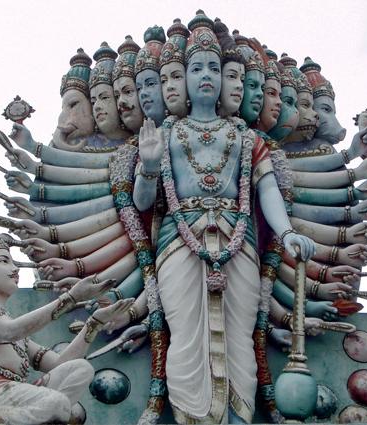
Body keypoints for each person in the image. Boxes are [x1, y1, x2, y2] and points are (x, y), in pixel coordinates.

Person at [133, 11, 315, 424]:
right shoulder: (165, 134)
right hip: (180, 243)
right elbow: (143, 202)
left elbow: (267, 189)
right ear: (182, 77)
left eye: (214, 68)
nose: (206, 76)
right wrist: (149, 165)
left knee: (239, 340)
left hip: (238, 243)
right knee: (185, 338)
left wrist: (286, 233)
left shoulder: (247, 138)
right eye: (197, 68)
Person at [0, 221, 133, 424]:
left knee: (81, 369)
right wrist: (71, 298)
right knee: (60, 405)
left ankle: (30, 417)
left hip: (18, 393)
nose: (15, 269)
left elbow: (60, 364)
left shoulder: (20, 337)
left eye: (13, 262)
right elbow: (10, 331)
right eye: (4, 261)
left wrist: (95, 322)